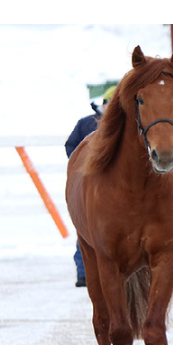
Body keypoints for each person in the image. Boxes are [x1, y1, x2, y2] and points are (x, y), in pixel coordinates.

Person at [66, 86, 113, 287]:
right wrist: (82, 163)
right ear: (103, 104)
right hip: (90, 182)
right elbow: (71, 145)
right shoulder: (86, 123)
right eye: (109, 103)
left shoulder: (129, 124)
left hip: (113, 185)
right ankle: (84, 274)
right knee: (86, 232)